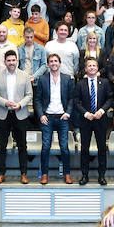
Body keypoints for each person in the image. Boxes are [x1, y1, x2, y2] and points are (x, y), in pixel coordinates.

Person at [0, 50, 33, 184]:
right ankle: (1, 174)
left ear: (17, 61)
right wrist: (5, 102)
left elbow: (29, 94)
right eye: (8, 60)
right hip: (3, 114)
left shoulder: (24, 76)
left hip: (20, 114)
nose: (11, 63)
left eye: (13, 60)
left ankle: (23, 174)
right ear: (5, 62)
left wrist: (20, 105)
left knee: (22, 146)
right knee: (1, 146)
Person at [73, 57, 113, 186]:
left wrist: (101, 111)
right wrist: (85, 113)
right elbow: (76, 101)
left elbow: (110, 99)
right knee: (84, 148)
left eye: (94, 65)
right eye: (89, 66)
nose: (91, 67)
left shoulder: (104, 82)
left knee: (102, 148)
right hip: (86, 120)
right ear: (85, 69)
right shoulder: (80, 84)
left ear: (97, 68)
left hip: (100, 119)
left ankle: (102, 176)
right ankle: (84, 175)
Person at [35, 53, 73, 185]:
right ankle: (45, 174)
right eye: (51, 61)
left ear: (60, 63)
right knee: (45, 147)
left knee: (64, 147)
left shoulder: (67, 79)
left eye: (56, 61)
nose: (53, 63)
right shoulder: (43, 79)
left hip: (63, 117)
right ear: (48, 64)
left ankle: (67, 174)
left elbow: (71, 99)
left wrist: (68, 113)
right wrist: (41, 115)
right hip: (47, 118)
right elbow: (37, 100)